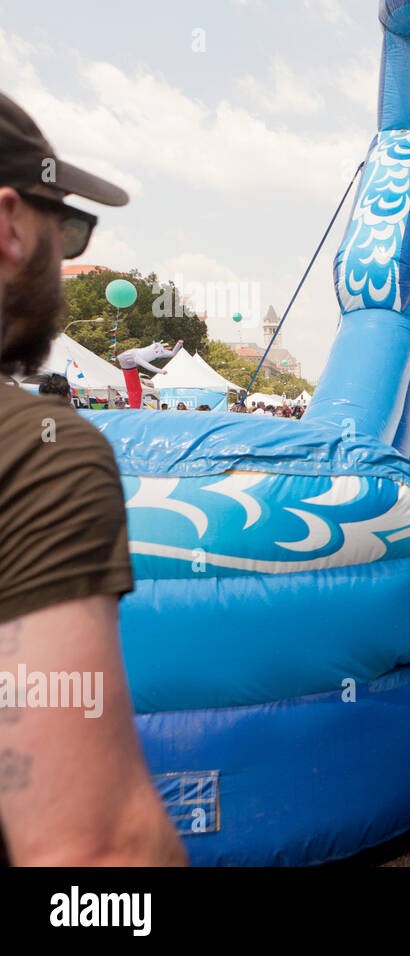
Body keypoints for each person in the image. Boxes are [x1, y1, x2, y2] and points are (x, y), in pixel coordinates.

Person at [0, 93, 187, 865]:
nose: (67, 257)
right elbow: (92, 857)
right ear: (9, 224)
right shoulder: (39, 456)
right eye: (66, 228)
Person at [116, 339, 182, 409]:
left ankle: (136, 407)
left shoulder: (156, 352)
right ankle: (135, 408)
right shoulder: (137, 357)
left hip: (129, 364)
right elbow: (148, 366)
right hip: (128, 365)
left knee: (137, 390)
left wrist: (179, 344)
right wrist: (160, 371)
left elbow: (172, 353)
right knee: (136, 391)